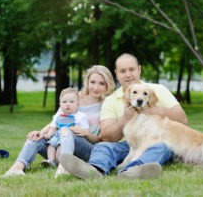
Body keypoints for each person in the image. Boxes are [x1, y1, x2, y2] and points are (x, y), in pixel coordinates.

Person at [60, 53, 188, 179]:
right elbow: (107, 137)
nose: (128, 75)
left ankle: (133, 170)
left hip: (156, 141)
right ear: (116, 73)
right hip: (128, 145)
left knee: (162, 146)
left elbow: (182, 120)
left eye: (131, 69)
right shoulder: (111, 100)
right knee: (103, 146)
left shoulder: (158, 90)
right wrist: (125, 118)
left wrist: (153, 109)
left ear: (139, 69)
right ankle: (95, 170)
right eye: (122, 71)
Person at [0, 65, 115, 178]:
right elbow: (56, 121)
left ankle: (64, 168)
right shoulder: (73, 98)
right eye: (93, 82)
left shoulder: (107, 105)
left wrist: (86, 133)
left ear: (107, 85)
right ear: (87, 82)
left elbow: (101, 139)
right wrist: (40, 133)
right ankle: (17, 168)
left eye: (101, 83)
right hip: (59, 145)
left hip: (86, 149)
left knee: (67, 130)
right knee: (36, 138)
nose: (96, 87)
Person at [40, 88, 90, 168]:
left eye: (71, 102)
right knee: (51, 145)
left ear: (77, 104)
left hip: (68, 137)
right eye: (64, 102)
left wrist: (80, 130)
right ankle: (51, 160)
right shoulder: (58, 115)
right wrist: (48, 134)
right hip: (57, 135)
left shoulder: (80, 116)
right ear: (60, 104)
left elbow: (86, 131)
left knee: (61, 147)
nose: (68, 104)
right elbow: (53, 127)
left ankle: (60, 161)